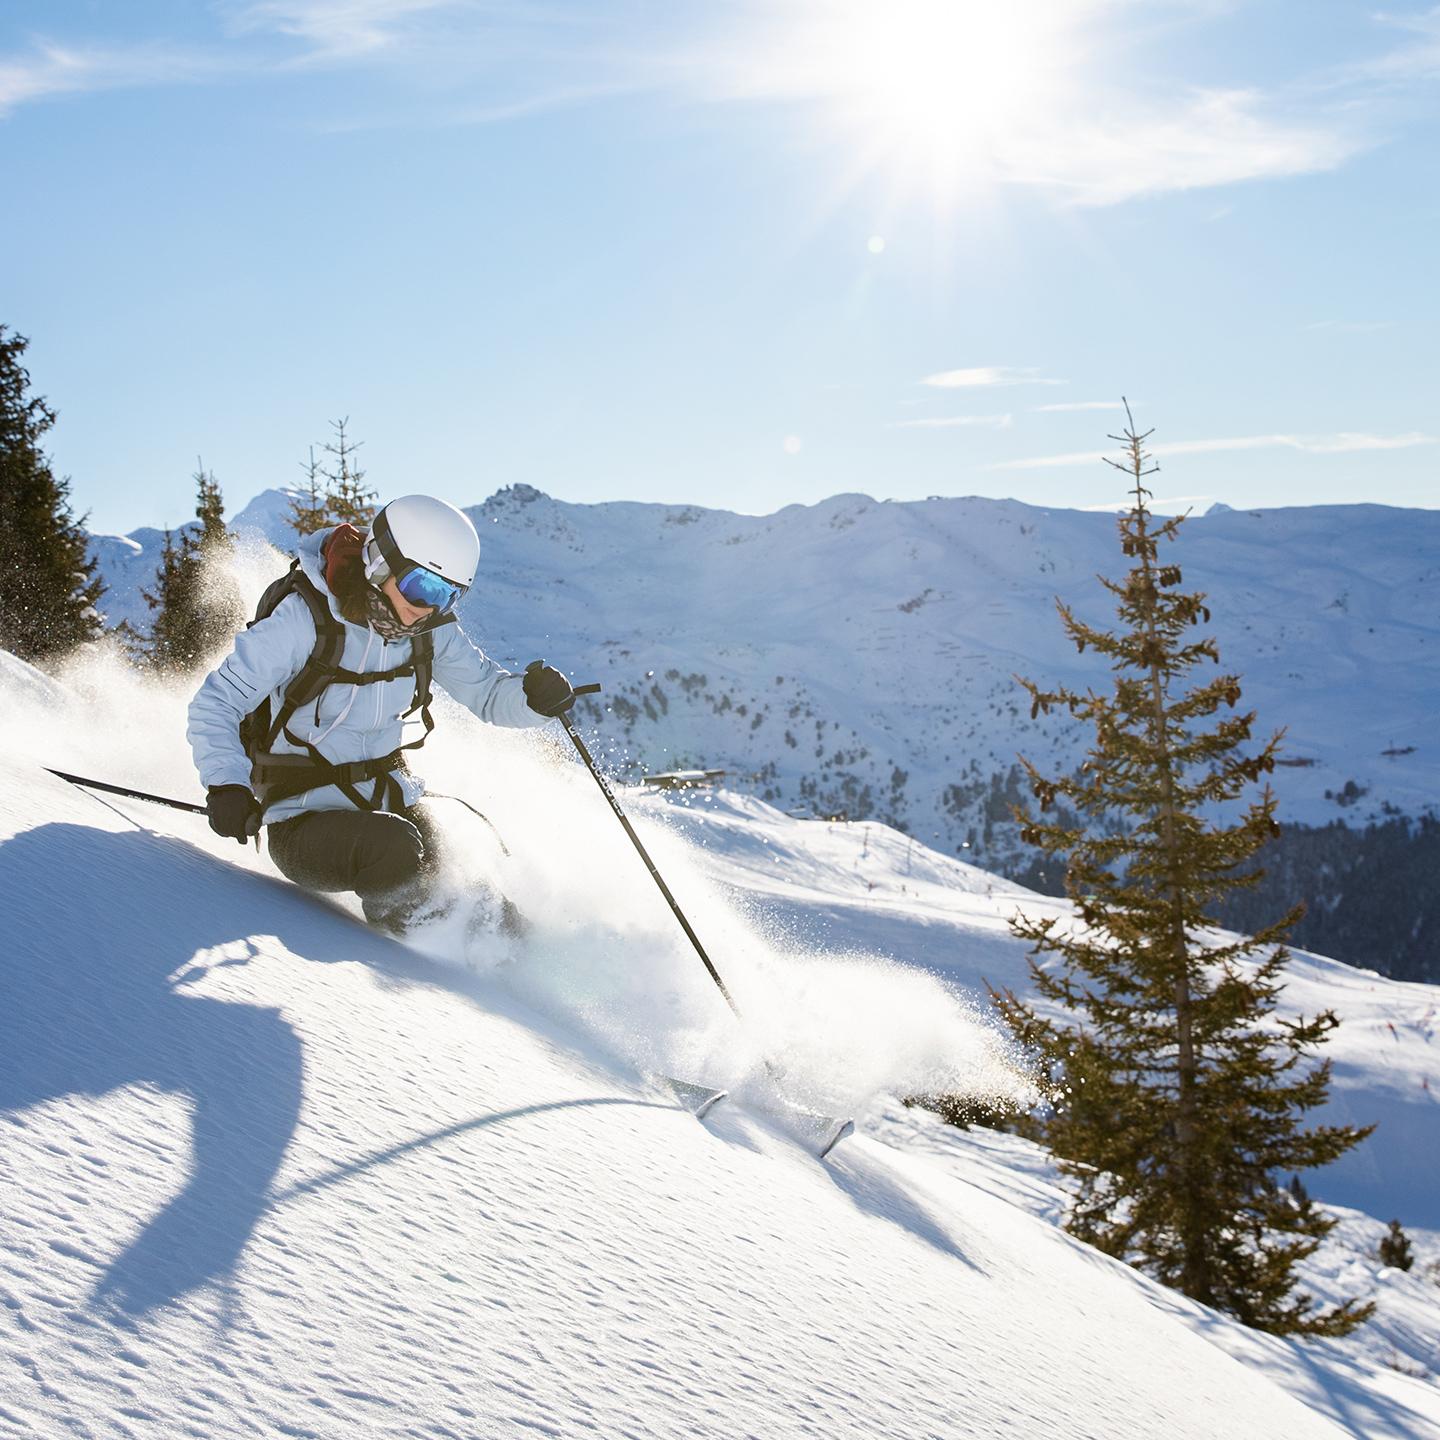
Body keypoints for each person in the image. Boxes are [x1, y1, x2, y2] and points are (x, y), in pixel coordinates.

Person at [187, 494, 574, 931]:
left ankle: (521, 954)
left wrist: (534, 701)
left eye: (447, 595)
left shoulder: (428, 631)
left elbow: (487, 694)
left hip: (391, 802)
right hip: (301, 820)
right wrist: (226, 785)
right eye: (421, 586)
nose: (428, 607)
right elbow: (217, 702)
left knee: (460, 867)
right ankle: (420, 961)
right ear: (380, 562)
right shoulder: (304, 620)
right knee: (393, 851)